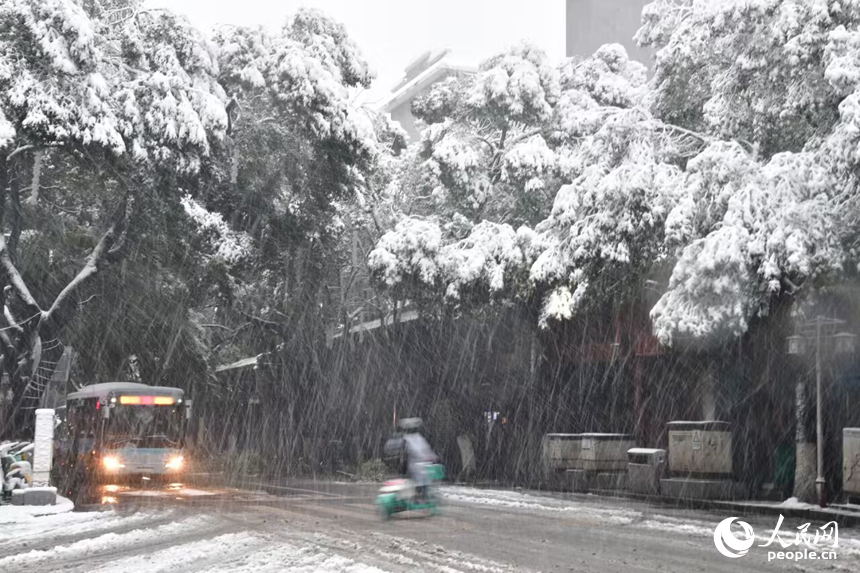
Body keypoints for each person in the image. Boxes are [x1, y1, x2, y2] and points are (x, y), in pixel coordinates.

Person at [387, 418, 437, 500]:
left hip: (419, 468)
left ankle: (420, 496)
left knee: (422, 483)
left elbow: (424, 451)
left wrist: (431, 457)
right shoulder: (408, 439)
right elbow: (419, 451)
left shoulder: (416, 438)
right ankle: (417, 496)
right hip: (413, 468)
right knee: (417, 483)